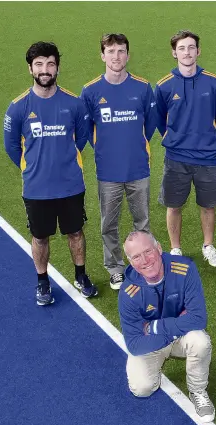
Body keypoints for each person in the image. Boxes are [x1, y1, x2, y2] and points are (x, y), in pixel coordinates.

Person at [3, 41, 97, 305]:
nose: (45, 70)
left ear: (57, 67)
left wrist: (65, 160)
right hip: (36, 188)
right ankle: (42, 281)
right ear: (30, 68)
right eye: (39, 64)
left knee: (76, 233)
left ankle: (80, 275)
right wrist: (32, 166)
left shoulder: (74, 104)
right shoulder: (18, 107)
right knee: (40, 236)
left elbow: (81, 139)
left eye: (50, 64)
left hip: (70, 185)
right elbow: (11, 147)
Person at [81, 33, 157, 290]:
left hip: (138, 169)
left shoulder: (143, 88)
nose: (116, 56)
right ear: (102, 55)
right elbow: (86, 130)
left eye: (121, 51)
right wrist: (106, 148)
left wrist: (136, 145)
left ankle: (148, 264)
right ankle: (115, 268)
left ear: (128, 54)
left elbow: (152, 122)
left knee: (142, 222)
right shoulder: (90, 91)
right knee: (108, 224)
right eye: (111, 51)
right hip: (108, 172)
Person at [118, 230, 215, 422]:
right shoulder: (128, 293)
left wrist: (152, 327)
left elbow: (198, 319)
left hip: (165, 335)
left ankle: (197, 391)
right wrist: (177, 325)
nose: (145, 260)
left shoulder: (185, 268)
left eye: (148, 251)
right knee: (142, 389)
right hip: (163, 338)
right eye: (136, 257)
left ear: (159, 248)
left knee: (200, 341)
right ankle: (156, 364)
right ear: (130, 262)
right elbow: (135, 344)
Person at [154, 30, 216, 266]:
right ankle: (175, 249)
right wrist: (174, 138)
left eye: (191, 47)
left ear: (198, 51)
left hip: (207, 157)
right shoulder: (164, 86)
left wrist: (207, 138)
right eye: (182, 48)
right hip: (176, 157)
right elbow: (158, 119)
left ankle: (208, 245)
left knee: (208, 205)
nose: (187, 52)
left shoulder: (214, 82)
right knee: (174, 205)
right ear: (174, 53)